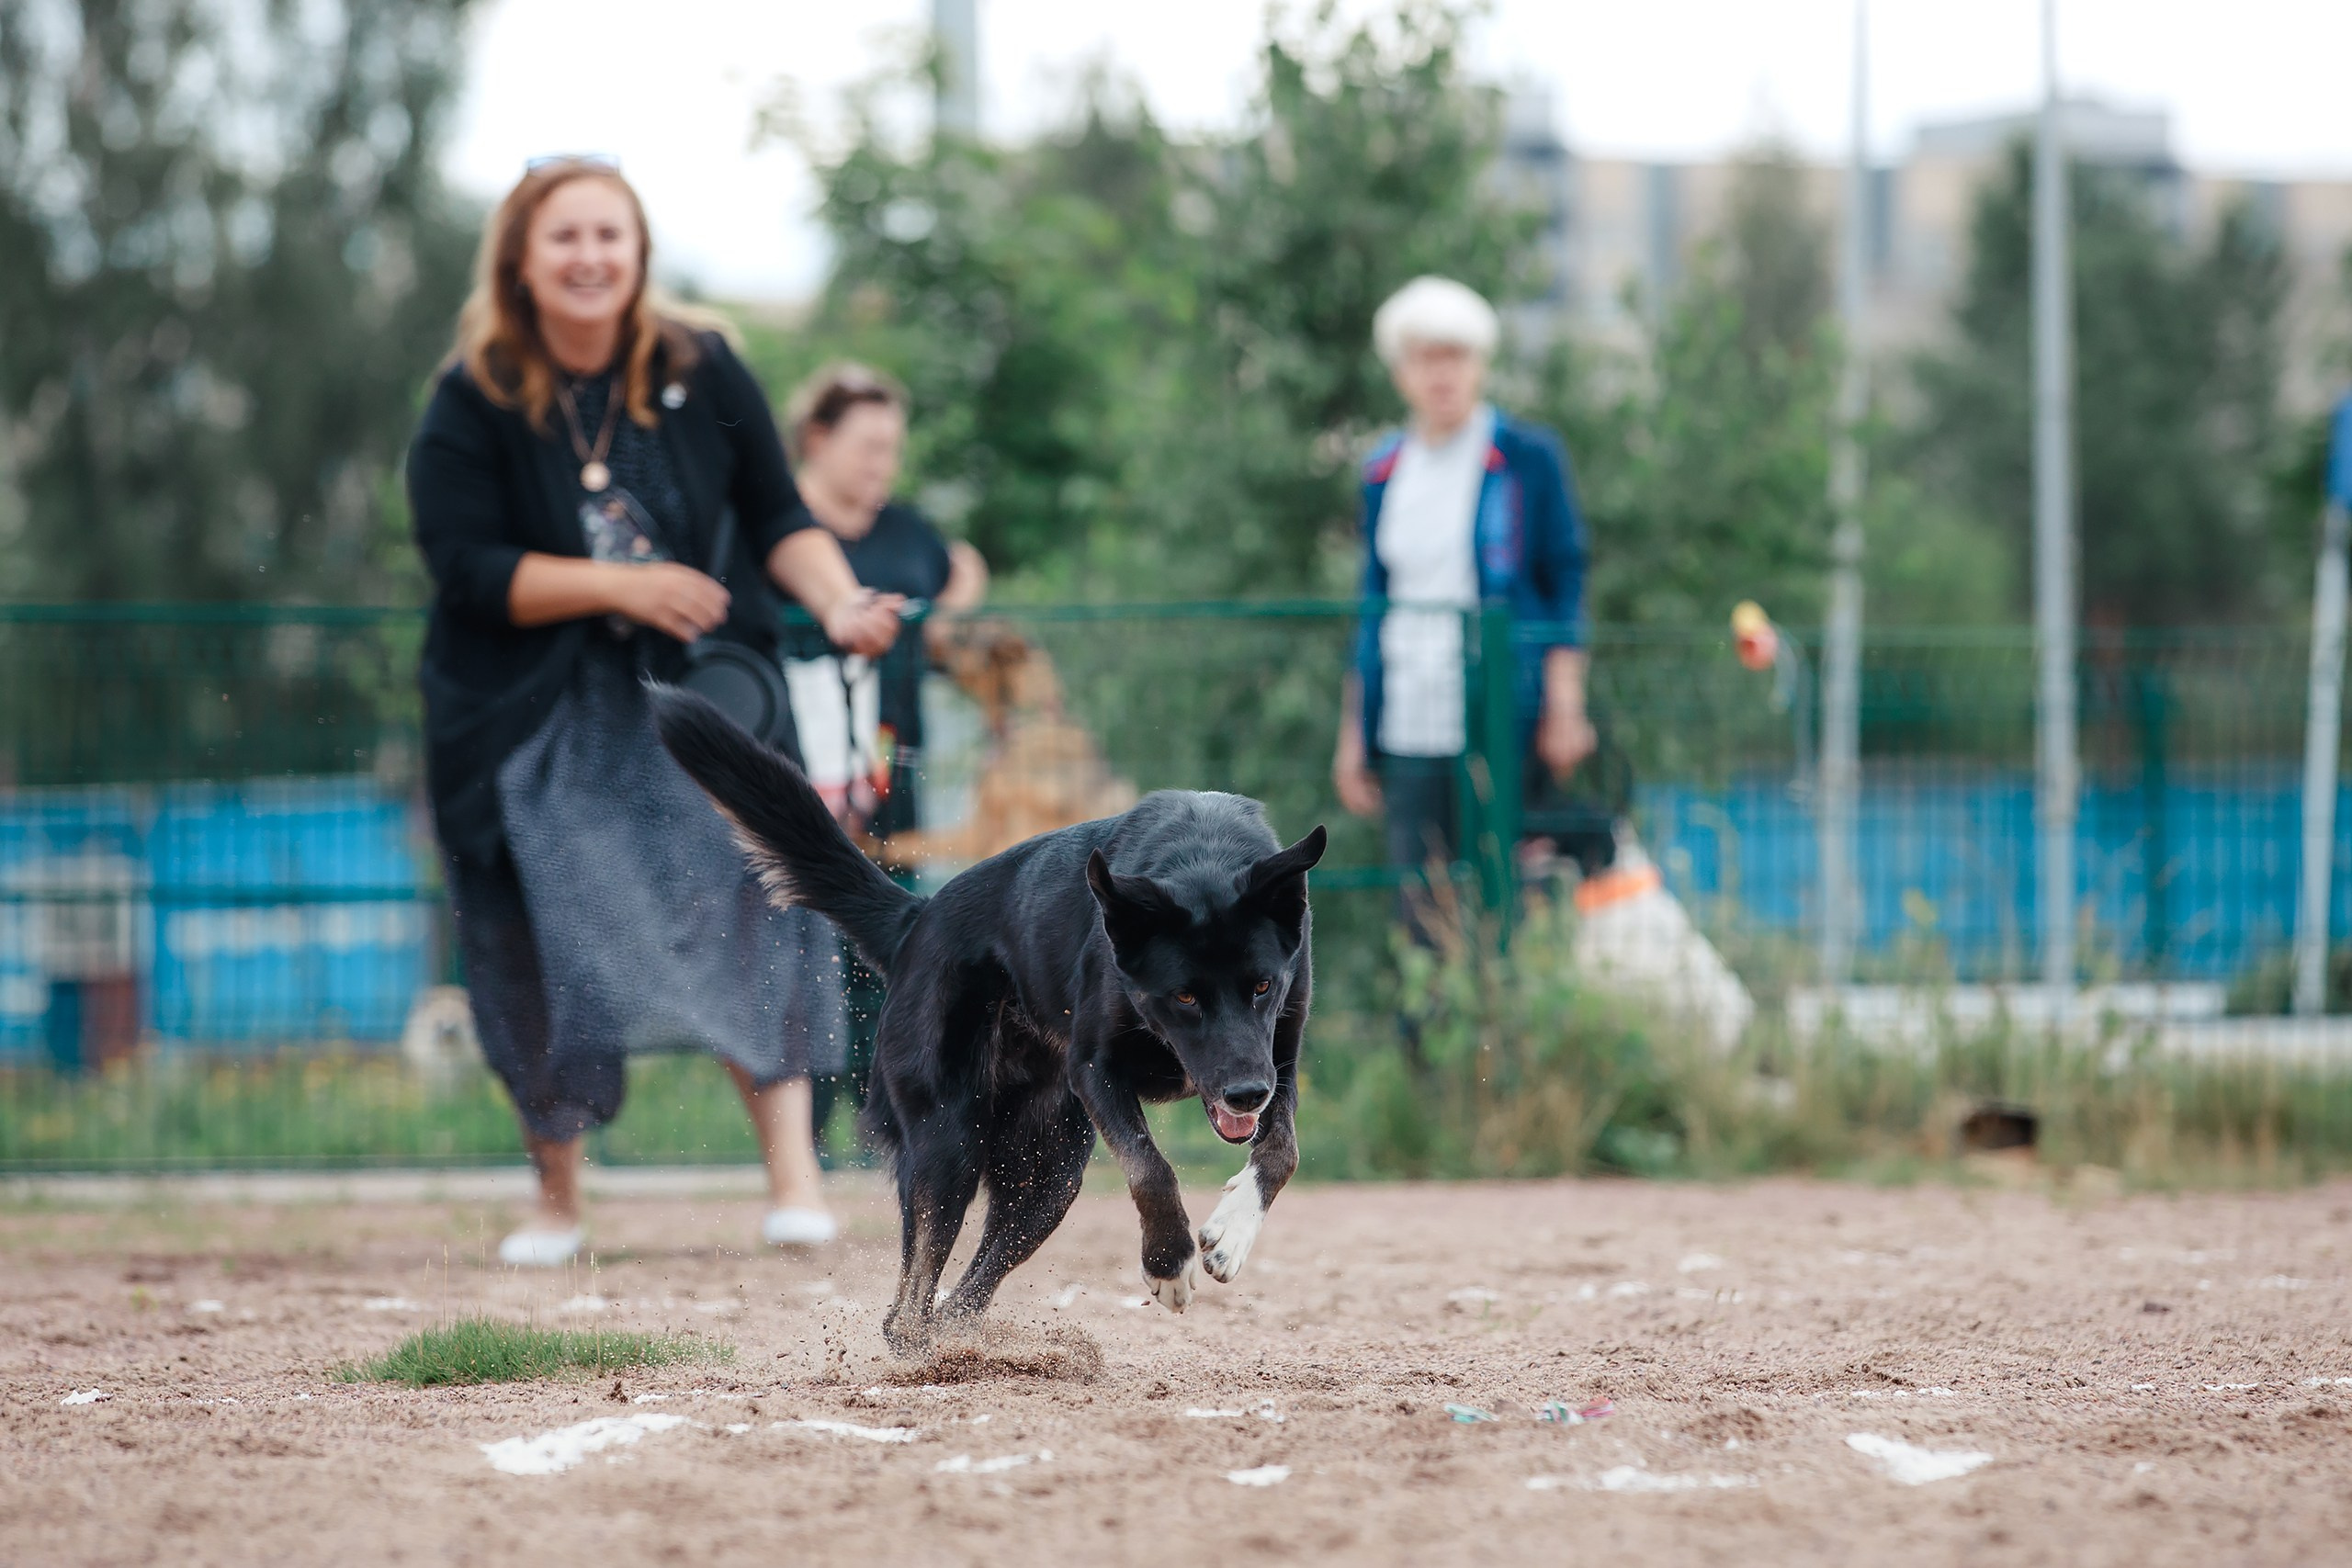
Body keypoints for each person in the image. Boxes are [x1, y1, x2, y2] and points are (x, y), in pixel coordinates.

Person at [406, 157, 905, 1266]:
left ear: (638, 255)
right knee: (537, 928)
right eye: (564, 237)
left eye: (609, 236)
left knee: (758, 896)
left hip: (696, 694)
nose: (589, 257)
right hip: (528, 713)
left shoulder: (702, 365)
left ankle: (794, 1182)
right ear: (521, 261)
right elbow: (465, 567)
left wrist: (838, 600)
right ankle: (558, 1202)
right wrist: (621, 586)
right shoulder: (473, 394)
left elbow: (778, 516)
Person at [1332, 276, 1594, 942]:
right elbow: (1373, 603)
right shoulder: (1383, 470)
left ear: (1480, 364)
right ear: (1401, 372)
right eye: (1426, 357)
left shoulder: (1527, 457)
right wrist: (1354, 731)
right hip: (1409, 721)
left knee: (1508, 898)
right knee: (1418, 909)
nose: (1442, 373)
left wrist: (1566, 703)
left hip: (1501, 714)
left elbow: (1564, 578)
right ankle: (1431, 1015)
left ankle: (1505, 1012)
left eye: (1456, 356)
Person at [775, 362, 989, 840]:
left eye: (893, 449)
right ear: (817, 439)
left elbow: (967, 566)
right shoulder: (777, 535)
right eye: (870, 447)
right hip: (797, 766)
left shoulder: (907, 529)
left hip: (895, 760)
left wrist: (943, 619)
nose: (884, 464)